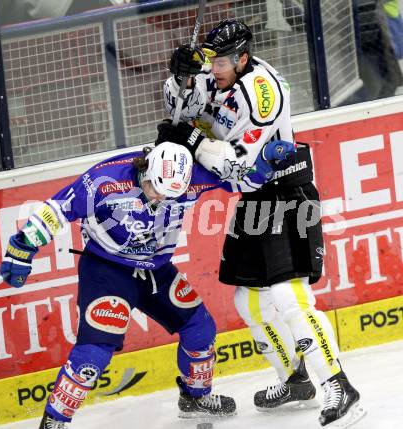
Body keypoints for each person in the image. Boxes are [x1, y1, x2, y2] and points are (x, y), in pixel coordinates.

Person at [156, 18, 366, 428]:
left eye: (220, 62)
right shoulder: (212, 72)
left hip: (287, 195)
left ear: (243, 58)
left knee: (290, 298)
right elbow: (182, 108)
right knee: (248, 301)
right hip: (254, 201)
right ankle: (295, 380)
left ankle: (341, 387)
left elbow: (237, 167)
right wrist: (178, 75)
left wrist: (193, 140)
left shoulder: (262, 93)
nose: (212, 68)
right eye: (209, 60)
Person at [0, 142, 236, 428]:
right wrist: (24, 246)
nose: (161, 199)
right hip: (107, 270)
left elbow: (242, 172)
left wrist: (264, 161)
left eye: (170, 195)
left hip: (155, 270)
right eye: (157, 190)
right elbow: (58, 209)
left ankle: (195, 398)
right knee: (94, 353)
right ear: (146, 170)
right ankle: (54, 421)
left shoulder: (193, 179)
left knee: (201, 329)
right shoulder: (105, 180)